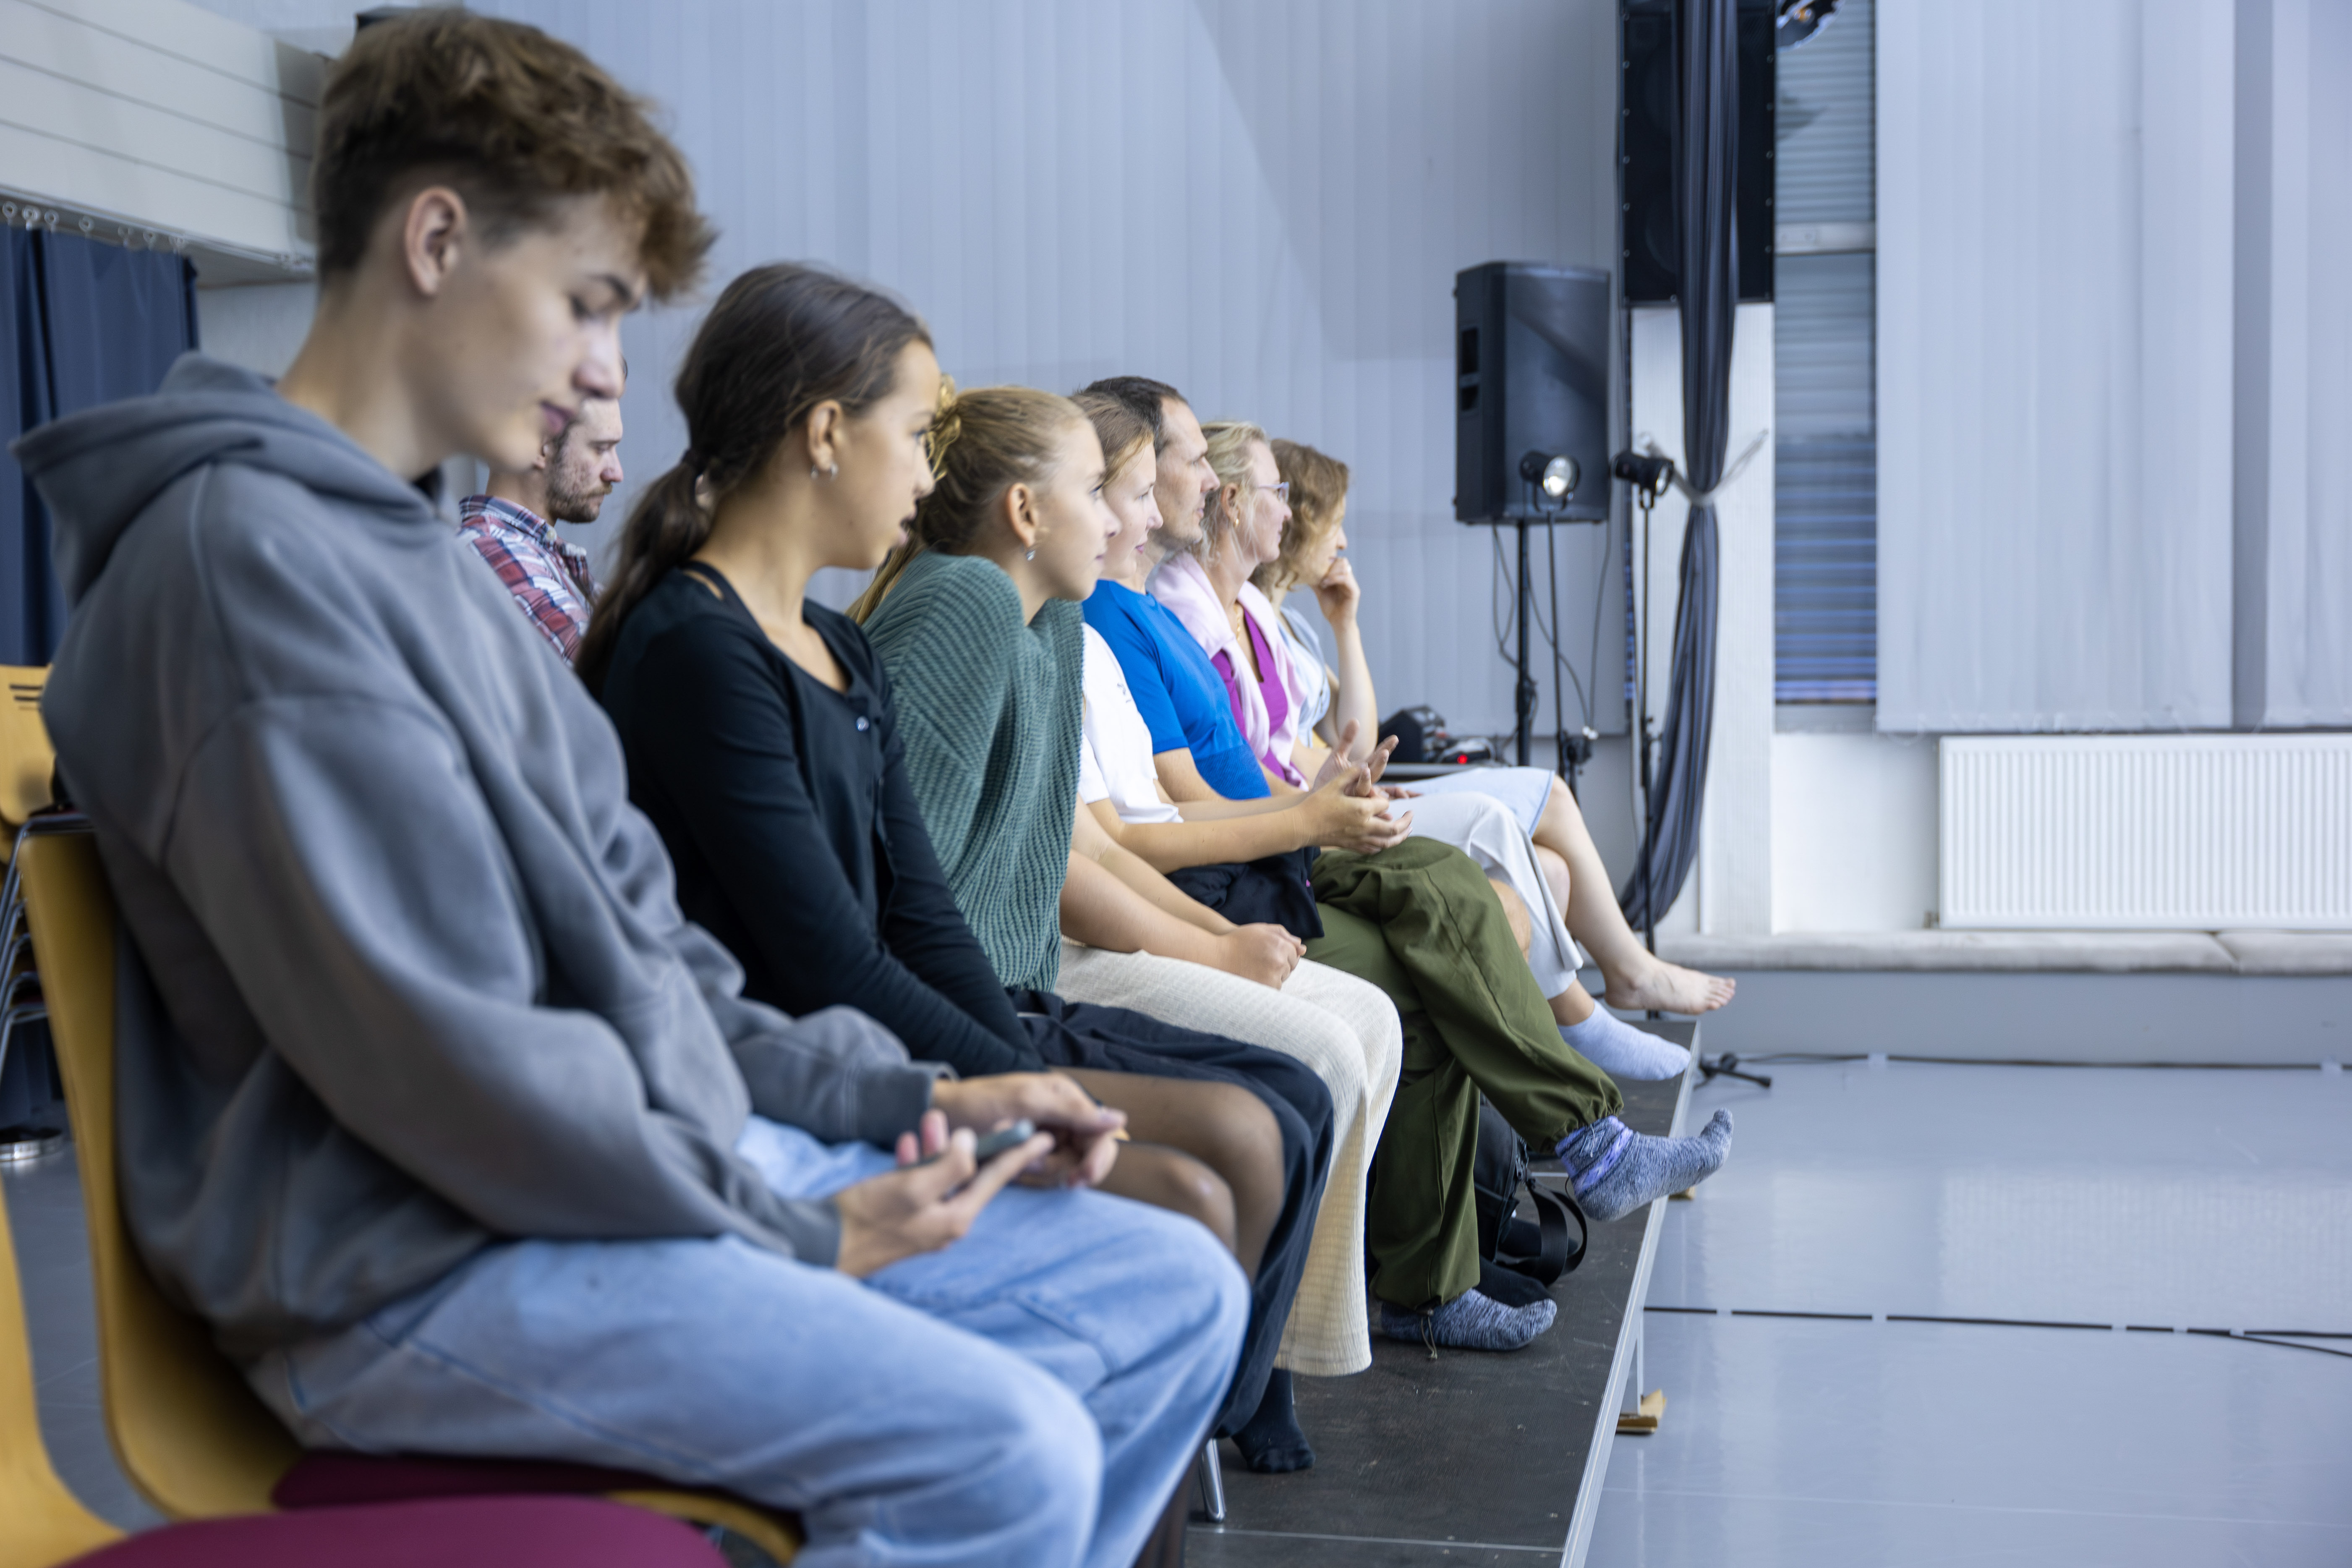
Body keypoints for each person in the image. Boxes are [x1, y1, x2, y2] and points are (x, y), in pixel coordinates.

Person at [13, 18, 1243, 1568]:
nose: (607, 370)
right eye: (587, 303)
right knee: (1007, 1450)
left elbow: (656, 968)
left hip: (596, 1176)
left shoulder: (425, 568)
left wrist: (914, 1096)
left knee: (1169, 1290)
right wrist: (796, 1226)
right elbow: (442, 1069)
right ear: (437, 242)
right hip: (414, 1263)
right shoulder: (245, 571)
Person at [585, 269, 1335, 1482]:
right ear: (826, 435)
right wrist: (1006, 1082)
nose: (927, 478)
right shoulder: (695, 649)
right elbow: (825, 958)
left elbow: (924, 908)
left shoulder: (834, 641)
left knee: (1248, 1136)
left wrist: (1019, 1067)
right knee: (1212, 1176)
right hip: (797, 1067)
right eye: (912, 434)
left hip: (887, 1033)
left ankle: (1133, 1486)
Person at [1078, 374, 1735, 1354]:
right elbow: (1164, 813)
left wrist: (1318, 797)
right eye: (1167, 473)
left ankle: (1524, 1199)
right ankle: (1564, 1162)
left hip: (1274, 837)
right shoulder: (1120, 618)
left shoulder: (1151, 617)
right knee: (1454, 904)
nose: (1209, 484)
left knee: (1460, 887)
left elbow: (1229, 774)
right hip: (1246, 859)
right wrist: (1302, 820)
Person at [849, 384, 1410, 1474]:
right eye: (1112, 494)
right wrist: (1194, 952)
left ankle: (1236, 1384)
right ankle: (1213, 1400)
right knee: (1295, 1085)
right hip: (987, 996)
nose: (1133, 521)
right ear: (1027, 511)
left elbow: (1069, 842)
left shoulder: (1052, 621)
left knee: (1317, 1072)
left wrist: (1210, 935)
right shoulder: (966, 603)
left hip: (1016, 980)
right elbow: (922, 891)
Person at [1155, 420, 1701, 1081]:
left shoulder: (1256, 614)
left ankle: (1558, 1045)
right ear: (1236, 503)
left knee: (1551, 870)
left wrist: (1345, 765)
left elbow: (1300, 747)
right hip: (1291, 828)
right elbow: (1244, 775)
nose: (1292, 512)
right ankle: (1580, 1024)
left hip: (1310, 805)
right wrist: (1325, 800)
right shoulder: (1187, 622)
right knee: (1501, 823)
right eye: (1280, 493)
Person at [1263, 435, 1738, 1021]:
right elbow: (1340, 755)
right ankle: (1628, 975)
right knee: (1553, 795)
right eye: (1334, 524)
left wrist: (1345, 625)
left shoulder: (1292, 628)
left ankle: (1553, 1035)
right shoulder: (1250, 630)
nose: (1342, 541)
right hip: (1328, 810)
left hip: (1350, 789)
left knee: (1554, 869)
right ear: (1298, 523)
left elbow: (1356, 740)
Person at [457, 372, 625, 662]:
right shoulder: (492, 553)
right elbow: (613, 677)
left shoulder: (543, 555)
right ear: (541, 446)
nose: (616, 473)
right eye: (601, 449)